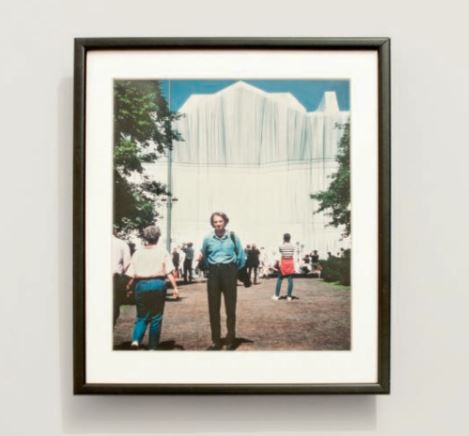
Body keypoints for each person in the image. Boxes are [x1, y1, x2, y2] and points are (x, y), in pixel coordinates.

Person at [125, 225, 179, 350]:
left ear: (145, 237)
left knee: (141, 316)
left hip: (141, 284)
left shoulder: (138, 253)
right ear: (158, 237)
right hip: (157, 284)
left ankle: (135, 340)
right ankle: (152, 346)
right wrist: (175, 287)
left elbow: (131, 274)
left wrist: (128, 287)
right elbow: (169, 272)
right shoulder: (162, 252)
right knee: (156, 317)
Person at [200, 212, 246, 350]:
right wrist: (210, 269)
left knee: (230, 308)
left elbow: (241, 256)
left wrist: (233, 270)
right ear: (212, 223)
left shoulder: (233, 237)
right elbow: (205, 255)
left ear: (225, 222)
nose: (218, 224)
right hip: (214, 273)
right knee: (213, 308)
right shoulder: (207, 238)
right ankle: (216, 340)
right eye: (215, 222)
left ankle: (230, 338)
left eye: (220, 221)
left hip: (229, 272)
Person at [112, 229, 131, 326]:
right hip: (115, 278)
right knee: (114, 307)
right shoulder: (122, 244)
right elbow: (127, 264)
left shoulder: (94, 243)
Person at [272, 233, 295, 301]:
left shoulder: (281, 246)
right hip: (290, 262)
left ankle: (276, 295)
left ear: (284, 238)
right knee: (290, 279)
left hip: (284, 262)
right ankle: (289, 296)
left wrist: (283, 243)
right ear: (290, 238)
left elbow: (281, 252)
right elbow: (292, 253)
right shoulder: (293, 246)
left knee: (280, 279)